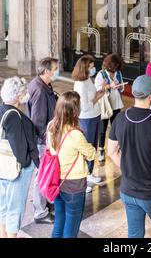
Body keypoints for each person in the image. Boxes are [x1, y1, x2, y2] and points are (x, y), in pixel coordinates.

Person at [108, 75, 151, 238]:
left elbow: (111, 152)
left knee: (135, 234)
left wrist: (128, 169)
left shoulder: (120, 118)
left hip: (128, 190)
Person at [47, 91, 96, 238]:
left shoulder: (51, 126)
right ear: (74, 110)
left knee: (59, 222)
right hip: (73, 185)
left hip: (56, 181)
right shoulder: (75, 134)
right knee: (71, 227)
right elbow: (92, 153)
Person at [0, 77, 39, 238]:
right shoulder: (14, 116)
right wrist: (27, 163)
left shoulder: (2, 109)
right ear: (17, 96)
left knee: (2, 206)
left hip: (2, 167)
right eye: (24, 92)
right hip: (14, 170)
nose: (26, 94)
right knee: (14, 209)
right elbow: (20, 149)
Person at [27, 57, 59, 223]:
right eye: (55, 68)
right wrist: (48, 142)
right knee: (42, 176)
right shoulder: (40, 90)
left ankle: (46, 203)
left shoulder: (43, 84)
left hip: (46, 138)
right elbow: (38, 121)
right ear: (47, 71)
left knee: (44, 174)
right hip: (43, 141)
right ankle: (40, 212)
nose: (57, 70)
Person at [72, 55, 103, 191]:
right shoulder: (79, 84)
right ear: (84, 68)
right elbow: (83, 106)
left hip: (95, 115)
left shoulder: (88, 80)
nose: (93, 69)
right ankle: (82, 178)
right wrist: (97, 98)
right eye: (90, 67)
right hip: (86, 118)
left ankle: (89, 173)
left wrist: (100, 93)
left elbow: (93, 96)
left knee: (93, 146)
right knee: (87, 147)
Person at [95, 53, 125, 163]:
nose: (115, 70)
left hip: (116, 104)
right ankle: (101, 149)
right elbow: (98, 90)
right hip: (105, 105)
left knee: (116, 127)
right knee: (102, 129)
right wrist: (108, 86)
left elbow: (121, 88)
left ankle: (117, 147)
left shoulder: (118, 73)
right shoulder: (101, 74)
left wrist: (121, 86)